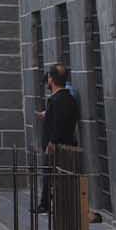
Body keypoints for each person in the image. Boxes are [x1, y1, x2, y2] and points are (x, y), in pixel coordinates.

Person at [35, 64, 81, 213]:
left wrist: (52, 141)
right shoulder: (67, 98)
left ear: (52, 79)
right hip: (63, 144)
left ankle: (48, 203)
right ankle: (49, 203)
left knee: (54, 176)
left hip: (58, 146)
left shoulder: (58, 100)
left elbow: (59, 122)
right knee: (55, 176)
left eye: (48, 78)